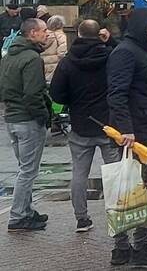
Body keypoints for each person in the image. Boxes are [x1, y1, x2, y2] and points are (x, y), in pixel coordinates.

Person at [106, 8, 147, 266]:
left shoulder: (141, 50)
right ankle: (137, 246)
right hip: (137, 134)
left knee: (133, 191)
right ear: (141, 26)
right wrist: (126, 130)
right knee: (142, 191)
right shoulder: (125, 53)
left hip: (144, 128)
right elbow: (117, 93)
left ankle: (124, 248)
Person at [49, 19, 118, 232]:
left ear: (78, 34)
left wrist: (71, 104)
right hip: (109, 125)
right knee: (114, 172)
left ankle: (81, 218)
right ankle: (117, 214)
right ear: (100, 34)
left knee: (79, 174)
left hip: (80, 124)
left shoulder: (68, 62)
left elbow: (56, 94)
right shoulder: (110, 57)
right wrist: (111, 42)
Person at [0, 18, 50, 231]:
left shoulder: (9, 55)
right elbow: (33, 93)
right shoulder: (31, 58)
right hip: (27, 119)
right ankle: (19, 215)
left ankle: (26, 210)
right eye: (43, 31)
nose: (47, 34)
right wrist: (44, 116)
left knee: (24, 168)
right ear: (32, 33)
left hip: (12, 116)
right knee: (28, 170)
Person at [41, 15, 68, 83]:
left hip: (43, 64)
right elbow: (62, 53)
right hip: (55, 67)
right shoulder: (60, 36)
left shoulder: (43, 35)